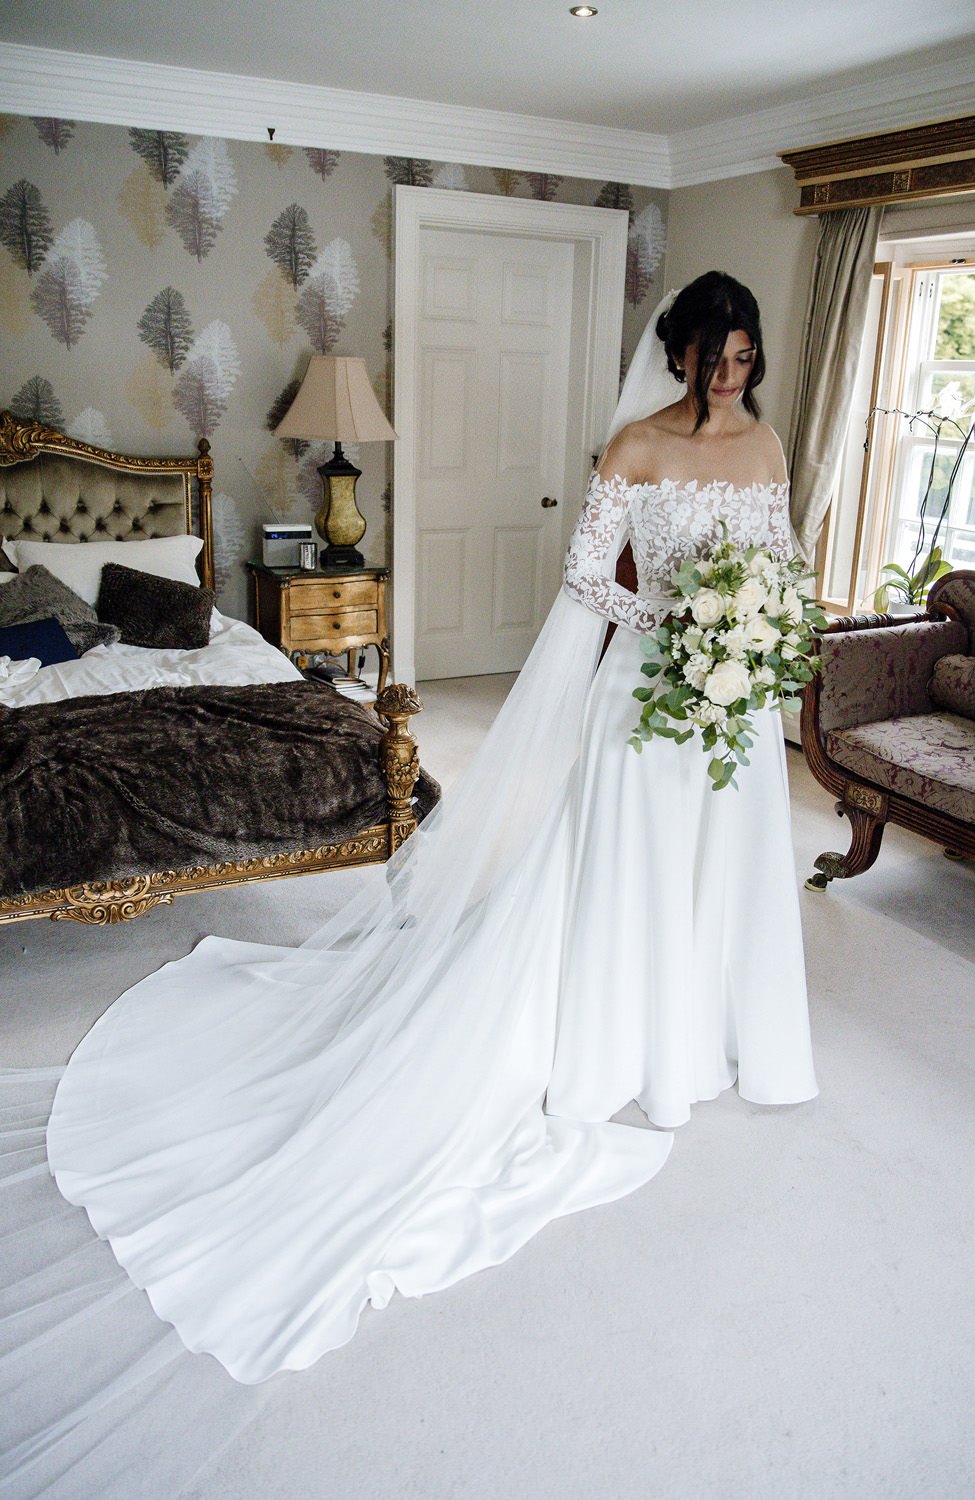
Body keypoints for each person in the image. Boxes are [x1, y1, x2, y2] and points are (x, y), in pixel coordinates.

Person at [3, 273, 817, 1488]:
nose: (733, 379)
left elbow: (786, 562)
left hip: (735, 715)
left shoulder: (768, 443)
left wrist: (755, 630)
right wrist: (682, 622)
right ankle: (621, 1036)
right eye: (716, 359)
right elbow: (590, 581)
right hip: (651, 692)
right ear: (679, 355)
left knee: (726, 875)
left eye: (747, 360)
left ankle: (711, 1026)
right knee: (634, 872)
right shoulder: (637, 444)